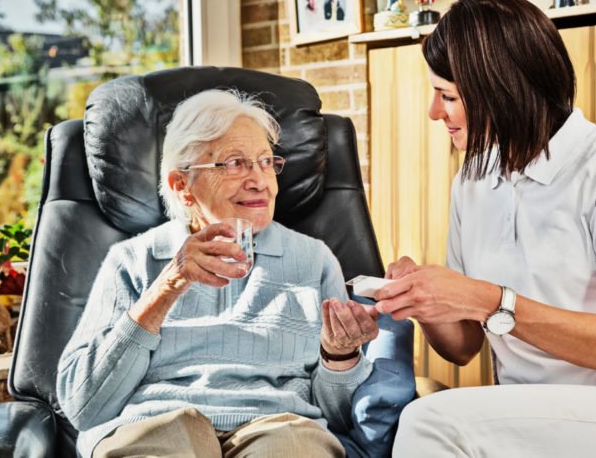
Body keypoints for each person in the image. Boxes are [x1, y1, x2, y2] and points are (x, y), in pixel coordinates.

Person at [376, 0, 596, 457]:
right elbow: (462, 346)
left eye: (448, 96)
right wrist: (422, 297)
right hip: (538, 417)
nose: (433, 112)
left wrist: (488, 298)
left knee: (430, 423)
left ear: (499, 91)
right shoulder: (473, 181)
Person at [57, 89, 380, 458]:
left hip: (279, 426)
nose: (260, 181)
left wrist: (339, 357)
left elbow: (338, 416)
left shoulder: (313, 260)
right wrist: (167, 287)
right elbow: (84, 406)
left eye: (265, 162)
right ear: (183, 185)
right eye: (235, 164)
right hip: (155, 424)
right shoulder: (133, 261)